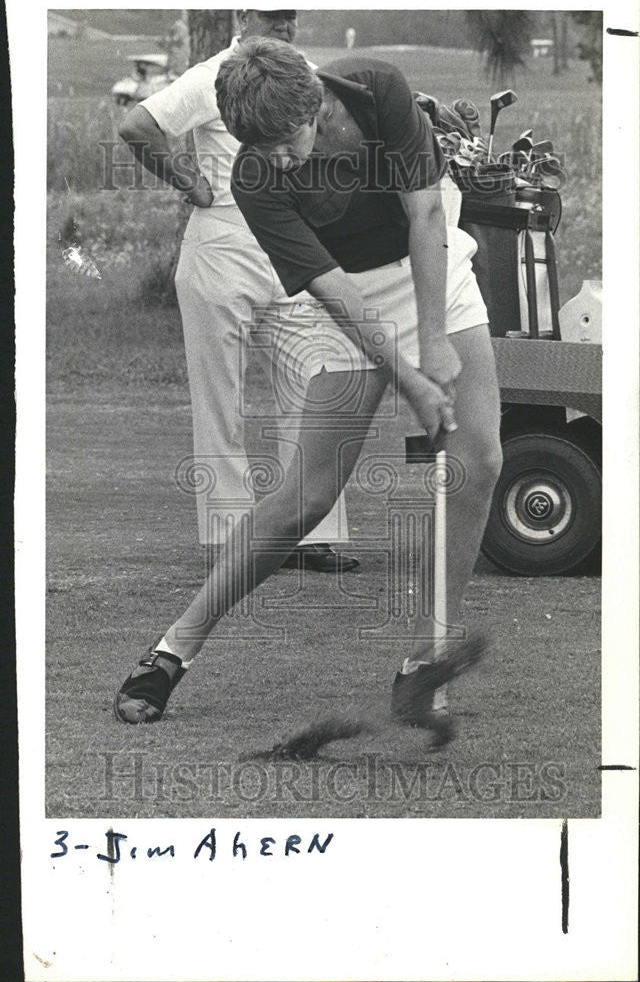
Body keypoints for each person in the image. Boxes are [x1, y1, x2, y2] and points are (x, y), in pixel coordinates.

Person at [115, 38, 503, 737]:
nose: (280, 161)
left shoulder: (376, 88)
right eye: (259, 148)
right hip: (352, 298)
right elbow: (330, 289)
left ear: (316, 104)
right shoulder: (255, 177)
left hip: (433, 268)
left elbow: (427, 215)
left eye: (288, 141)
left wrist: (435, 341)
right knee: (306, 498)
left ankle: (426, 664)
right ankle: (174, 649)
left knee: (480, 462)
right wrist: (410, 376)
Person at [119, 9, 358, 574]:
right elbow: (136, 126)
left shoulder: (305, 73)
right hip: (224, 239)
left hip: (290, 245)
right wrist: (192, 183)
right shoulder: (213, 74)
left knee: (312, 384)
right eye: (271, 17)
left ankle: (307, 530)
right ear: (244, 15)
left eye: (291, 18)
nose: (283, 27)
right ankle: (230, 535)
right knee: (220, 397)